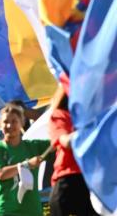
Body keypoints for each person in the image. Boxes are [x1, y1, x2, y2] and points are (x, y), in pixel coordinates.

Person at [0, 103, 51, 216]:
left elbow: (57, 142)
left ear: (22, 123)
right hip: (4, 210)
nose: (10, 125)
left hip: (31, 211)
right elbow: (1, 173)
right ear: (0, 124)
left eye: (14, 121)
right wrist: (27, 164)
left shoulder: (33, 146)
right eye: (5, 122)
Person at [49, 88, 97, 216]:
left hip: (91, 182)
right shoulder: (60, 115)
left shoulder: (96, 117)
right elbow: (66, 141)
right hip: (68, 182)